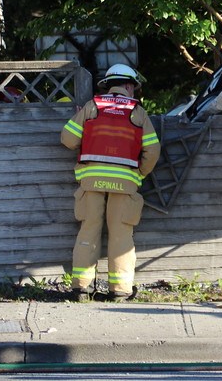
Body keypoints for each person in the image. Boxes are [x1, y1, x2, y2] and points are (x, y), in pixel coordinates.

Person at [61, 64, 161, 301]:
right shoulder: (138, 112)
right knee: (121, 236)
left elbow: (67, 139)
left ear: (108, 84)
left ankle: (81, 289)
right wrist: (139, 174)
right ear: (129, 85)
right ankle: (120, 291)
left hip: (91, 182)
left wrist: (84, 126)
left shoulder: (92, 107)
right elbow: (153, 150)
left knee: (89, 230)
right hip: (125, 184)